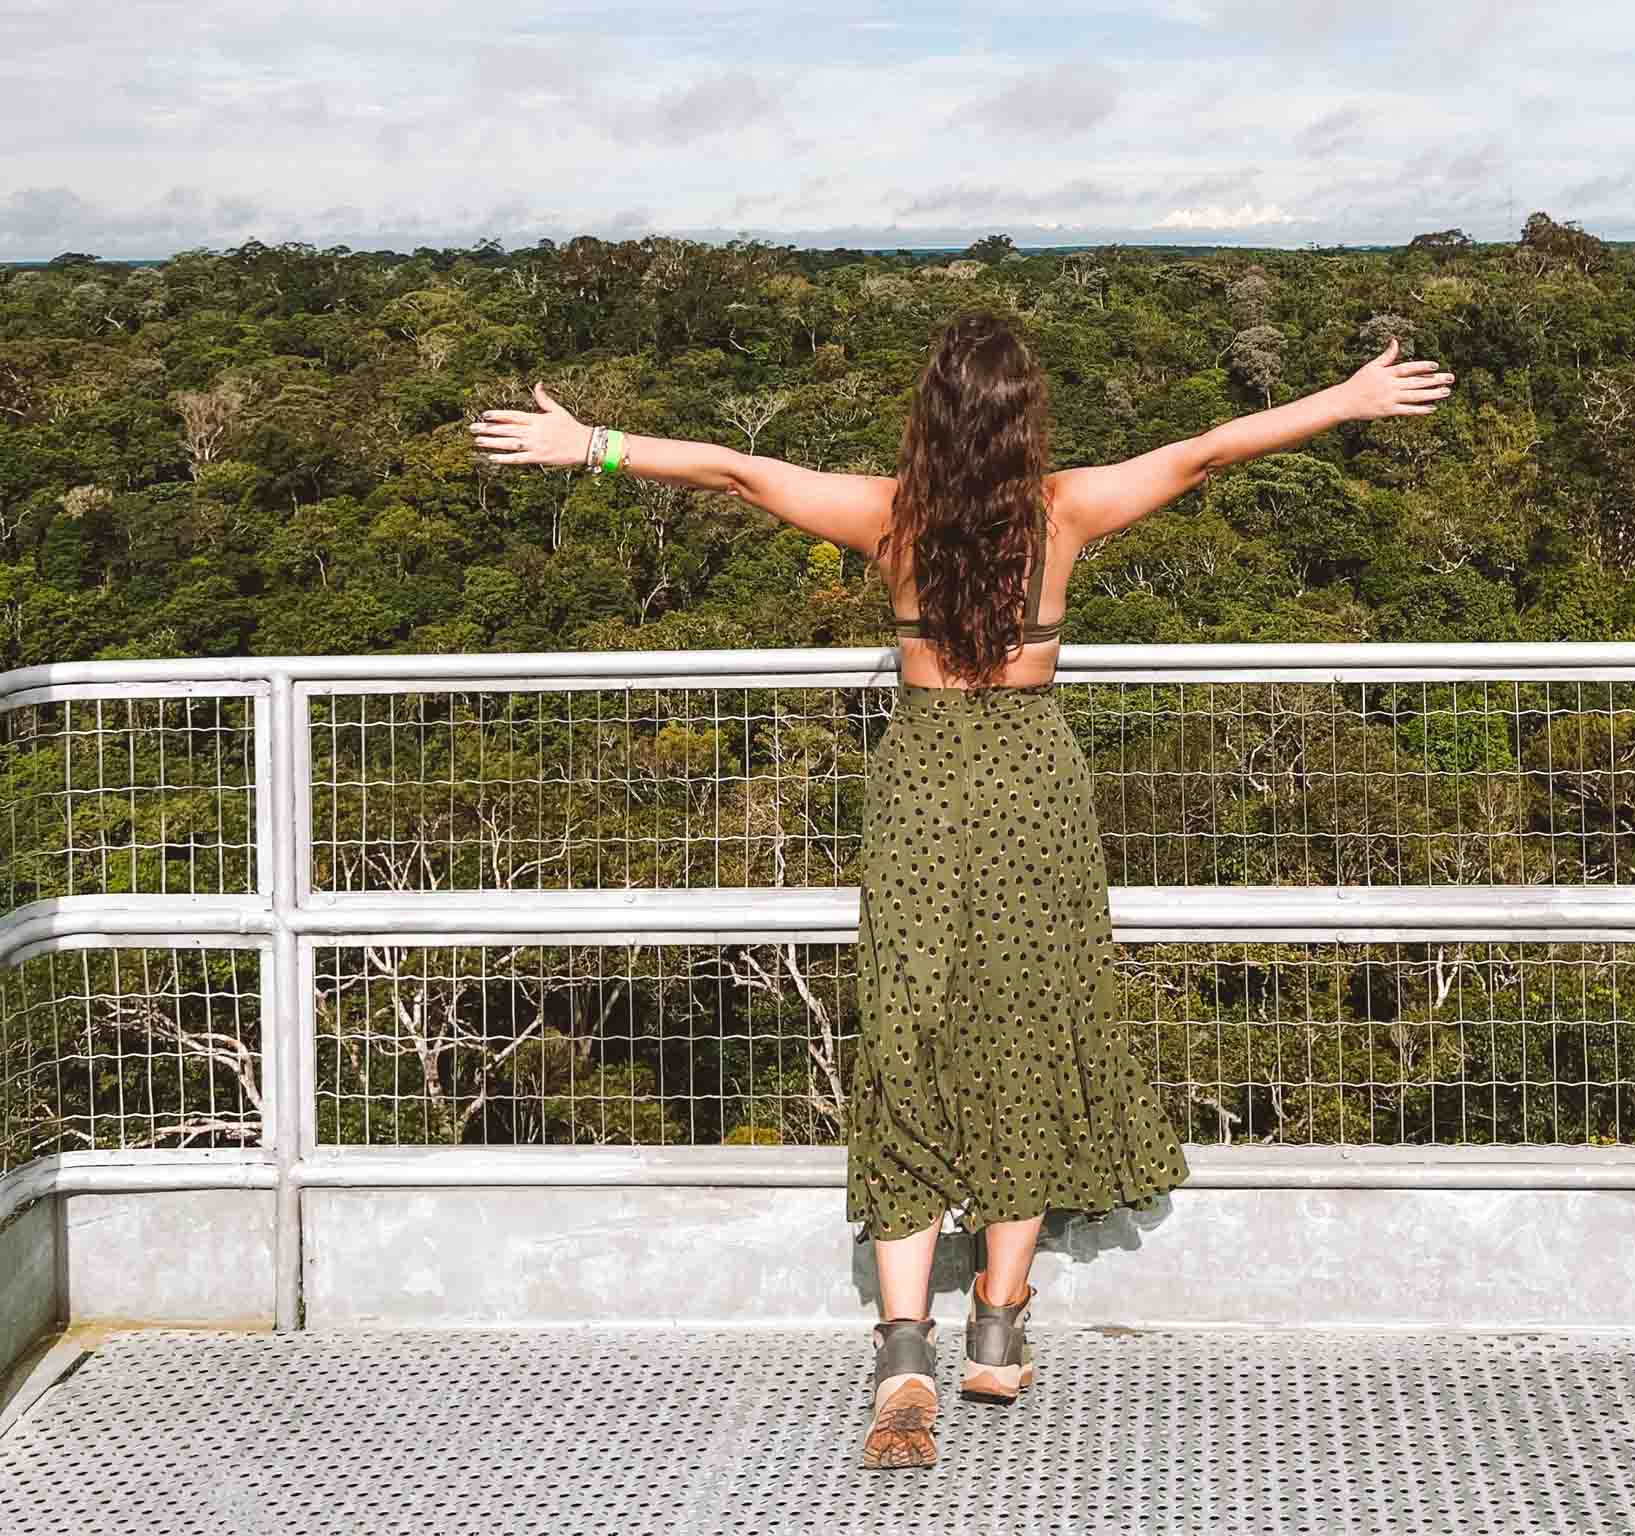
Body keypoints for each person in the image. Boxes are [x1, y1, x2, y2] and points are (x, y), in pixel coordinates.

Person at [470, 310, 1452, 1469]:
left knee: (907, 1036)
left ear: (929, 413)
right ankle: (996, 1325)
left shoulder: (890, 516)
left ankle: (902, 1355)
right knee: (1028, 1031)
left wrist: (594, 446)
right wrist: (1344, 400)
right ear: (1026, 415)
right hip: (1035, 785)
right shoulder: (1067, 508)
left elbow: (736, 472)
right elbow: (1207, 452)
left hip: (923, 789)